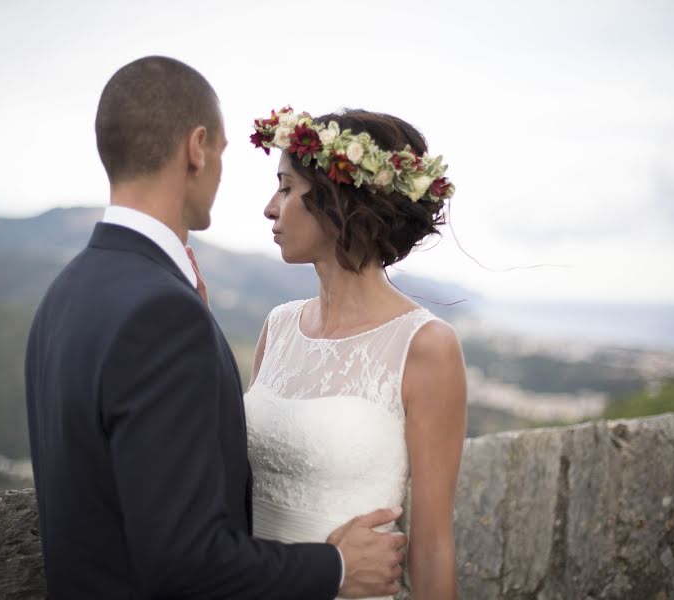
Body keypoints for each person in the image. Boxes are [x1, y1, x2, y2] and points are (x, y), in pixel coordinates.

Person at [25, 57, 407, 599]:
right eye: (225, 153)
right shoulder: (160, 314)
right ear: (197, 147)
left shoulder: (67, 291)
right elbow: (184, 561)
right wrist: (336, 568)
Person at [245, 108, 468, 599]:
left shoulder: (426, 347)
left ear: (338, 198)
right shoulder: (278, 327)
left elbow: (431, 547)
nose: (269, 207)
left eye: (286, 187)